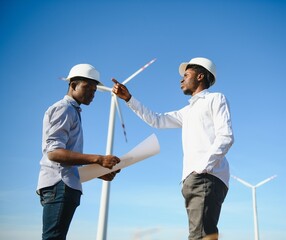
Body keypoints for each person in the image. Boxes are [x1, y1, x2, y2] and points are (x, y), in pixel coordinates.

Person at [112, 57, 234, 240]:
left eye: (186, 74)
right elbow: (157, 120)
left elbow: (226, 136)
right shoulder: (186, 112)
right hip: (194, 179)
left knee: (200, 236)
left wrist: (201, 168)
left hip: (206, 176)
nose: (181, 79)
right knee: (200, 235)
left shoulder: (215, 99)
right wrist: (129, 99)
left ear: (200, 76)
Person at [36, 63, 121, 240]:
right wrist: (99, 159)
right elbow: (54, 153)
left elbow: (66, 159)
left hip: (64, 186)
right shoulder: (64, 108)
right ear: (73, 85)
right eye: (87, 87)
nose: (92, 93)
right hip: (60, 186)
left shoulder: (73, 111)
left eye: (95, 89)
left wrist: (98, 171)